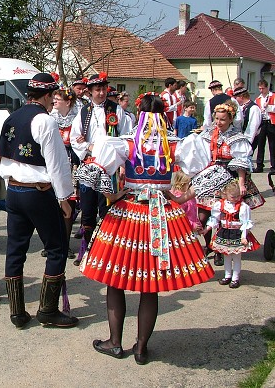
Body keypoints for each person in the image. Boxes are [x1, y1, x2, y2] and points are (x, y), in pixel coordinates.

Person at [76, 93, 217, 365]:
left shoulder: (126, 142)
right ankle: (141, 349)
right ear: (164, 115)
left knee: (115, 280)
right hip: (163, 215)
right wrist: (180, 198)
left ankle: (115, 343)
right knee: (149, 285)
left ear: (139, 115)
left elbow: (94, 175)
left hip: (128, 213)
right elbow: (210, 174)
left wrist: (114, 195)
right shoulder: (175, 145)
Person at [0, 72, 79, 328]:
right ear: (46, 96)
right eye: (52, 97)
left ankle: (17, 313)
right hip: (38, 192)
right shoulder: (44, 120)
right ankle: (47, 310)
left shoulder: (11, 117)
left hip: (14, 190)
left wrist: (10, 184)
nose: (52, 102)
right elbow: (57, 164)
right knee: (56, 248)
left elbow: (3, 158)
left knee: (15, 250)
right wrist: (64, 197)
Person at [69, 72, 131, 265]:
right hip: (89, 165)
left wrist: (121, 163)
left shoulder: (116, 110)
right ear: (90, 92)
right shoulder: (84, 111)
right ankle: (88, 251)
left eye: (104, 89)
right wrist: (88, 146)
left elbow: (126, 137)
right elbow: (74, 138)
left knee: (107, 210)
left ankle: (106, 252)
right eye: (98, 90)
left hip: (110, 168)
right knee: (87, 211)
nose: (102, 93)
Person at [195, 102, 264, 267]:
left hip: (228, 178)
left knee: (226, 215)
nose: (218, 122)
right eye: (217, 118)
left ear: (231, 119)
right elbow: (198, 154)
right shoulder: (208, 134)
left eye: (223, 119)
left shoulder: (236, 137)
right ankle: (212, 246)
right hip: (211, 176)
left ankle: (221, 249)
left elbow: (241, 162)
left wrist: (241, 183)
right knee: (203, 216)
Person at [201, 180, 259, 288]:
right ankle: (227, 276)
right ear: (225, 194)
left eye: (238, 196)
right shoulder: (220, 205)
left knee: (236, 257)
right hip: (224, 232)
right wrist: (207, 229)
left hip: (237, 233)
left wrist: (243, 236)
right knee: (226, 256)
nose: (236, 198)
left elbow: (246, 223)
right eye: (233, 196)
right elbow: (214, 219)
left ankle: (235, 278)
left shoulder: (243, 207)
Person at [48, 85, 81, 259]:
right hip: (54, 165)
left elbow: (81, 141)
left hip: (71, 166)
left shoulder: (78, 119)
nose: (54, 101)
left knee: (69, 204)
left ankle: (65, 245)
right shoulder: (50, 118)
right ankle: (52, 243)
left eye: (58, 99)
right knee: (52, 206)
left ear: (68, 102)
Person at [254, 79, 275, 173]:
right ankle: (259, 165)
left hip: (271, 122)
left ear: (267, 87)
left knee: (272, 145)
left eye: (263, 88)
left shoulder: (273, 96)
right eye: (260, 88)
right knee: (260, 144)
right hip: (262, 122)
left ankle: (274, 166)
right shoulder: (258, 99)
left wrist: (268, 107)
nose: (261, 90)